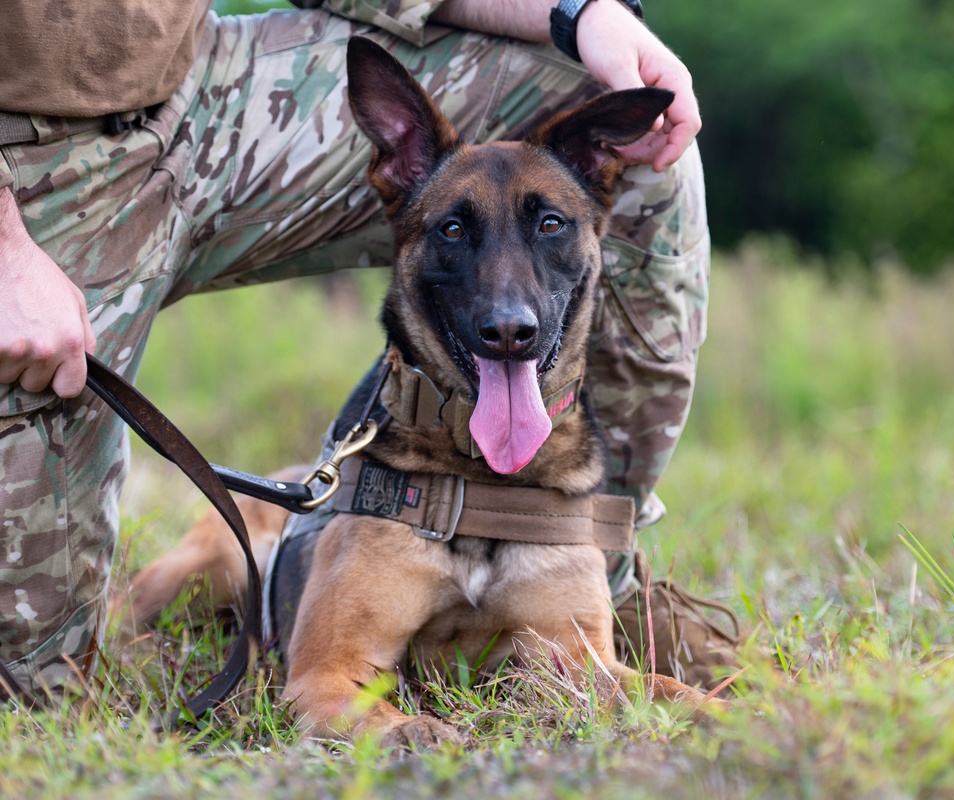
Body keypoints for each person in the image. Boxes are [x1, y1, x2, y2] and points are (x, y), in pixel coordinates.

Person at [0, 0, 734, 693]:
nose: (511, 316)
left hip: (201, 88)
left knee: (607, 84)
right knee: (31, 685)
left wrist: (581, 12)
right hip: (25, 160)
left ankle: (601, 571)